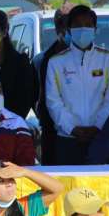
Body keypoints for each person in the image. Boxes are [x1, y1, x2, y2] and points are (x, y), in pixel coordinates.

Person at [45, 5, 109, 165]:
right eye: (77, 25)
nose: (83, 29)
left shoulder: (108, 59)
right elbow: (53, 101)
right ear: (69, 29)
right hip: (67, 138)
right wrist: (72, 128)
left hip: (102, 136)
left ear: (95, 29)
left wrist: (98, 126)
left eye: (88, 25)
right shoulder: (56, 62)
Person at [34, 10, 69, 165]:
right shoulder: (42, 60)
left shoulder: (99, 59)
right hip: (52, 130)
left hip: (90, 130)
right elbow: (37, 96)